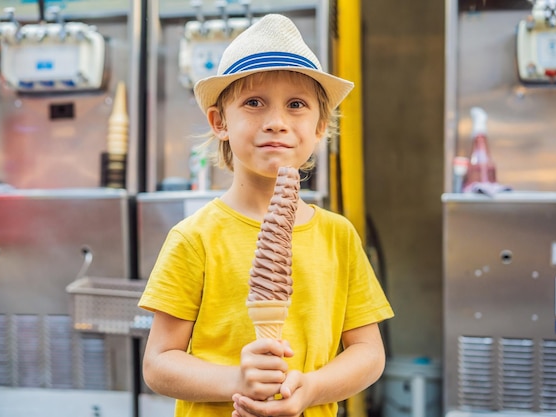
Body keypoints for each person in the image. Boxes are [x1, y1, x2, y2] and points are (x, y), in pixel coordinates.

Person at [138, 13, 394, 417]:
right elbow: (158, 364)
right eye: (254, 103)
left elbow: (368, 353)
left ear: (319, 126)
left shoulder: (338, 236)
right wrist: (236, 381)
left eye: (296, 105)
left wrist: (311, 389)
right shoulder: (194, 237)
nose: (276, 122)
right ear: (219, 122)